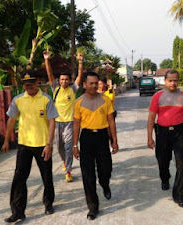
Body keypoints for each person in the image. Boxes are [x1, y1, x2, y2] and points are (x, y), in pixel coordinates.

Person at [1, 70, 58, 223]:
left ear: (37, 82)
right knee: (19, 177)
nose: (28, 86)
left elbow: (52, 121)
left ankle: (48, 203)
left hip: (42, 145)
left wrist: (49, 144)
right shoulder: (18, 100)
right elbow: (11, 121)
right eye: (26, 84)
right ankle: (18, 211)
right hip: (24, 145)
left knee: (46, 176)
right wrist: (6, 140)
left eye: (31, 83)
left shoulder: (46, 99)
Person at [73, 72, 119, 220]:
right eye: (90, 83)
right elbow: (76, 125)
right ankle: (93, 207)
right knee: (87, 174)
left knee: (105, 168)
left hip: (101, 138)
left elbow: (111, 121)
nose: (93, 86)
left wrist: (114, 140)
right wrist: (74, 145)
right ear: (84, 85)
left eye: (95, 83)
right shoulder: (78, 102)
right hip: (86, 138)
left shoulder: (105, 100)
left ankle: (105, 184)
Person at [146, 69, 183, 209]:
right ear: (165, 81)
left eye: (175, 80)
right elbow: (151, 117)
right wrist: (150, 137)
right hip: (162, 132)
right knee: (162, 160)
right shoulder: (158, 96)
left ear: (178, 81)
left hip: (180, 132)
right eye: (170, 80)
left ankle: (179, 196)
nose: (173, 83)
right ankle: (165, 177)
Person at [44, 51, 83, 182]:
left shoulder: (73, 89)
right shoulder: (55, 88)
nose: (64, 81)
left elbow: (80, 77)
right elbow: (49, 74)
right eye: (62, 79)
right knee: (60, 147)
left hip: (70, 123)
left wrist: (80, 62)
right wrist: (46, 60)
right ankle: (64, 162)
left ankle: (68, 171)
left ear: (69, 80)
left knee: (68, 147)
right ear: (59, 81)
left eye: (66, 79)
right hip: (57, 123)